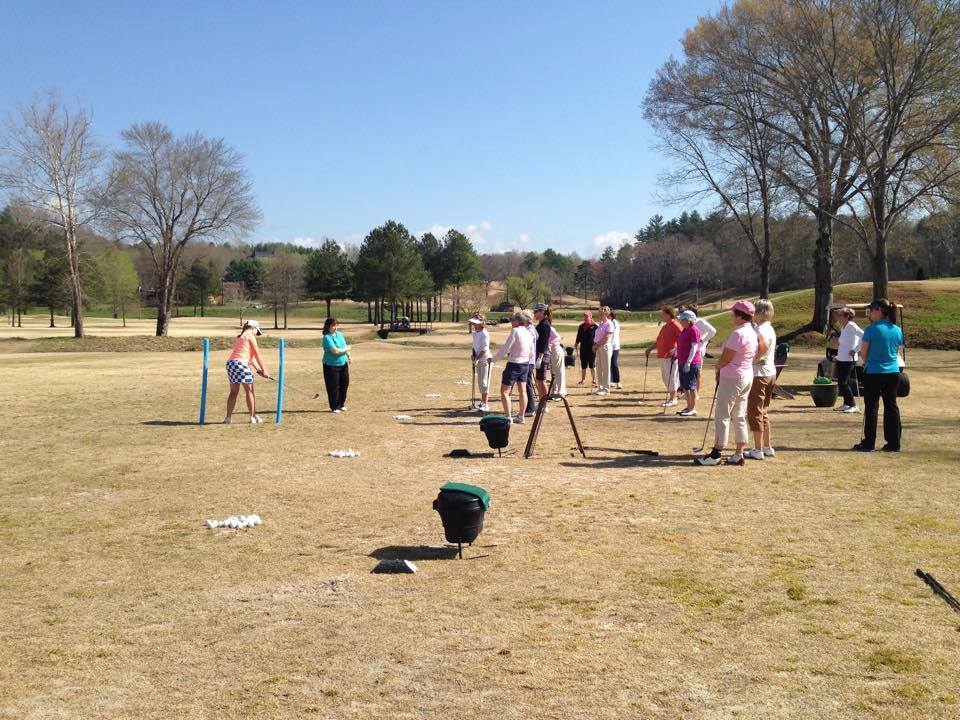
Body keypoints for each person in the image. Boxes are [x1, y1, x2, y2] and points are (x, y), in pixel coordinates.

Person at [695, 301, 758, 466]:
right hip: (746, 376)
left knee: (722, 414)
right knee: (738, 414)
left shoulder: (738, 334)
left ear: (739, 315)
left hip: (732, 378)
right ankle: (739, 453)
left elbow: (726, 358)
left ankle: (716, 453)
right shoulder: (751, 331)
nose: (731, 317)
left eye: (733, 314)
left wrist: (717, 368)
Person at [853, 298, 904, 452]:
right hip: (893, 372)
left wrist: (869, 362)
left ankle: (869, 443)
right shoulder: (897, 329)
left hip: (874, 372)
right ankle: (894, 443)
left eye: (871, 310)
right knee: (891, 406)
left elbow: (863, 353)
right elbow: (895, 352)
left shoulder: (871, 329)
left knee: (872, 407)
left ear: (879, 311)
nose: (869, 314)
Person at [488, 311, 535, 423]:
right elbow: (532, 352)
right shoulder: (529, 332)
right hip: (525, 363)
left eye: (512, 320)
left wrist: (493, 359)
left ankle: (508, 417)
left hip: (514, 364)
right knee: (522, 391)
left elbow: (506, 348)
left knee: (505, 391)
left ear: (518, 321)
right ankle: (521, 416)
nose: (511, 322)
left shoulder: (515, 331)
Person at [745, 299, 777, 460]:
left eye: (754, 312)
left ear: (760, 313)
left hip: (760, 374)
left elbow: (760, 350)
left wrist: (753, 359)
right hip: (770, 373)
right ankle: (767, 446)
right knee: (763, 411)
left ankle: (758, 449)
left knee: (755, 411)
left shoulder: (760, 330)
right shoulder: (769, 328)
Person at [225, 320, 271, 424]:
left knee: (233, 392)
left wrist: (259, 370)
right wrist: (264, 370)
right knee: (250, 391)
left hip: (231, 364)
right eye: (257, 331)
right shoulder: (250, 335)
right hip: (241, 364)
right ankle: (253, 417)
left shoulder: (239, 336)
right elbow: (257, 354)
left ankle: (228, 418)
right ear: (252, 328)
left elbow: (251, 357)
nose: (256, 333)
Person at [645, 305, 682, 407]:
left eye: (663, 314)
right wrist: (650, 349)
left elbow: (683, 339)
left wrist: (677, 350)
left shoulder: (676, 325)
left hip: (672, 356)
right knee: (666, 377)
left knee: (672, 377)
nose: (661, 316)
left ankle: (673, 399)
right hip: (662, 356)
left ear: (669, 314)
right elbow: (659, 341)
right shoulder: (665, 327)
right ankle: (672, 396)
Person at [834, 307, 864, 414]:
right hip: (841, 358)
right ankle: (846, 404)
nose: (838, 317)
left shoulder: (852, 326)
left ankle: (853, 405)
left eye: (840, 315)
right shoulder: (844, 327)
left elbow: (864, 336)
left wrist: (855, 349)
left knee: (844, 382)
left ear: (847, 316)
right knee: (841, 382)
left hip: (849, 359)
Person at [321, 316, 351, 414]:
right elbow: (335, 351)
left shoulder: (340, 335)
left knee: (344, 384)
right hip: (331, 365)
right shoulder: (326, 337)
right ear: (328, 326)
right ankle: (334, 406)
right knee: (333, 386)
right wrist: (347, 349)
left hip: (343, 363)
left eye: (336, 325)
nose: (335, 327)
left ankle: (341, 404)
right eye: (333, 325)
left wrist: (349, 355)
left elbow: (344, 345)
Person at [675, 310, 702, 416]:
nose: (680, 321)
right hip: (682, 361)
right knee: (685, 386)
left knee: (691, 386)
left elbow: (694, 346)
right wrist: (676, 352)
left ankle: (693, 408)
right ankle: (688, 406)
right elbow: (681, 344)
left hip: (691, 362)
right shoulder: (685, 330)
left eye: (682, 319)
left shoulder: (693, 330)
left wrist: (689, 361)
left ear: (688, 320)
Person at [532, 303, 554, 406]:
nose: (534, 314)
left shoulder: (545, 324)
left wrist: (540, 358)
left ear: (541, 312)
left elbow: (544, 342)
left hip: (543, 354)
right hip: (540, 354)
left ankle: (544, 404)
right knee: (539, 380)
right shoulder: (542, 323)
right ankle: (542, 403)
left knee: (542, 381)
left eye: (536, 312)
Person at [469, 314, 492, 412]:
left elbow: (484, 349)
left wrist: (477, 358)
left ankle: (485, 404)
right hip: (478, 359)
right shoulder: (475, 333)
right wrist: (473, 355)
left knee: (484, 382)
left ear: (481, 323)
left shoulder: (484, 333)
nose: (474, 324)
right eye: (473, 323)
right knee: (480, 382)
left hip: (486, 360)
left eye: (476, 323)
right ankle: (482, 402)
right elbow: (475, 347)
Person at [593, 306, 614, 396]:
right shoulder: (601, 323)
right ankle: (600, 387)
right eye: (599, 313)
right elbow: (598, 336)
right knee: (599, 368)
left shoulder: (609, 324)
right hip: (599, 348)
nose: (600, 315)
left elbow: (606, 338)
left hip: (605, 347)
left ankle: (606, 389)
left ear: (606, 314)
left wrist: (597, 345)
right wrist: (595, 345)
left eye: (601, 314)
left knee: (605, 369)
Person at [522, 310, 539, 415]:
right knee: (527, 383)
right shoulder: (531, 329)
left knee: (527, 383)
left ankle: (531, 407)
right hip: (530, 360)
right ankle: (530, 406)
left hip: (528, 360)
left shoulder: (529, 330)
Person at [575, 311, 598, 386]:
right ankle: (583, 380)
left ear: (591, 317)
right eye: (584, 316)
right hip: (583, 348)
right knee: (583, 365)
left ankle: (594, 380)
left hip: (591, 348)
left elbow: (598, 335)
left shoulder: (594, 327)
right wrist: (576, 343)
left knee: (592, 365)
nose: (585, 318)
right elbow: (579, 336)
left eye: (587, 316)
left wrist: (596, 345)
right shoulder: (581, 326)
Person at [610, 310, 623, 389]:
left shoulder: (615, 323)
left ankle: (617, 382)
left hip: (614, 347)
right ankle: (610, 381)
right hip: (608, 346)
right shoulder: (608, 322)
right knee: (609, 364)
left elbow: (613, 335)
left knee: (614, 364)